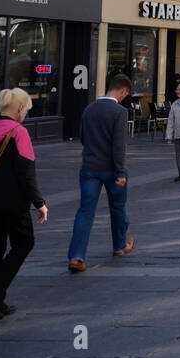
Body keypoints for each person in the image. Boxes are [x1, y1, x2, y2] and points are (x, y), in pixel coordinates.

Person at [0, 88, 47, 321]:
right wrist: (39, 203)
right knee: (24, 244)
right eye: (27, 111)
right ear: (21, 108)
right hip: (12, 203)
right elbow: (26, 174)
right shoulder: (18, 132)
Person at [68, 73, 135, 273]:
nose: (124, 97)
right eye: (126, 94)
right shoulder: (119, 112)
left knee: (85, 212)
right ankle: (119, 245)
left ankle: (77, 256)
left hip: (89, 168)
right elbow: (119, 145)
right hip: (112, 169)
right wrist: (120, 171)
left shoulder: (89, 109)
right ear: (122, 91)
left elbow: (82, 138)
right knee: (118, 207)